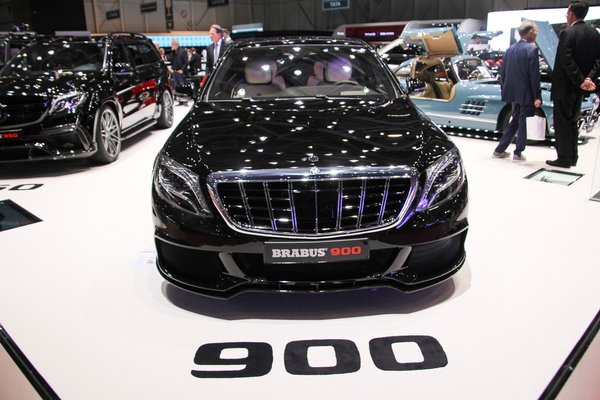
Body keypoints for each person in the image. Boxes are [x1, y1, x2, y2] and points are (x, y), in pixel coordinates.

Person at [547, 0, 600, 168]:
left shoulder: (567, 33)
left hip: (565, 87)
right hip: (580, 89)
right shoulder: (594, 33)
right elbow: (598, 60)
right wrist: (588, 79)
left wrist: (581, 80)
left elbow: (566, 60)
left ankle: (564, 158)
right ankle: (573, 157)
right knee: (573, 122)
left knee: (562, 123)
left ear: (571, 14)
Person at [492, 20, 541, 162]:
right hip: (526, 93)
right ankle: (518, 153)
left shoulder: (510, 49)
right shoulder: (532, 49)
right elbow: (534, 75)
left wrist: (505, 90)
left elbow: (503, 73)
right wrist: (537, 96)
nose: (536, 34)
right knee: (522, 122)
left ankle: (499, 150)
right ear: (530, 32)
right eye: (535, 32)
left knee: (516, 120)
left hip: (513, 92)